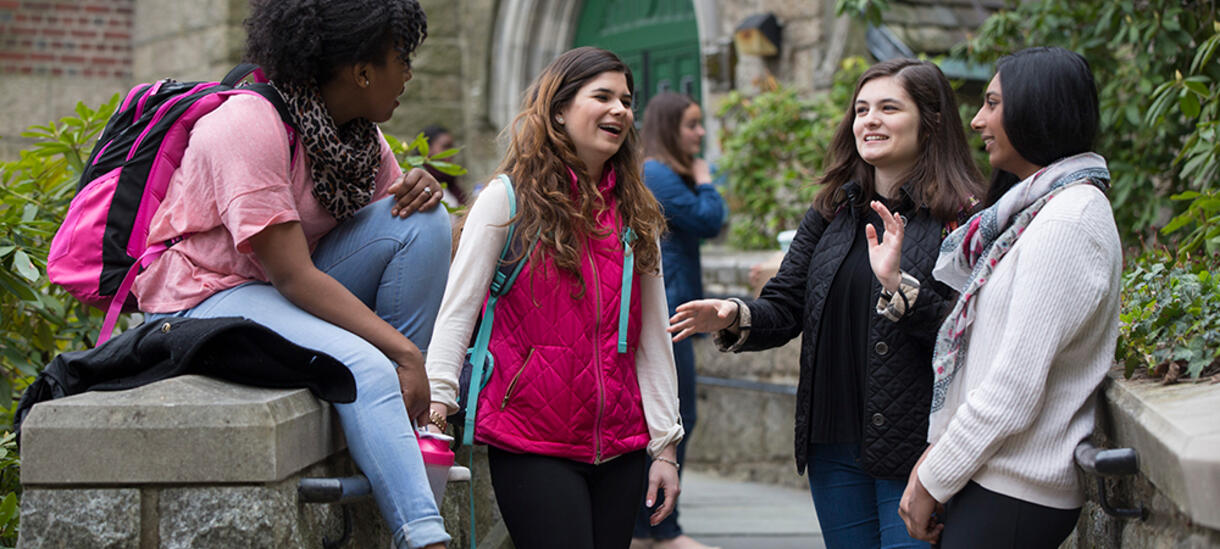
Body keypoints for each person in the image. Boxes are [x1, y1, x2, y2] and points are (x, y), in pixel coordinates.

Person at [131, 1, 452, 547]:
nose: (409, 75)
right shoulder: (247, 123)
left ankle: (398, 421)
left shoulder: (354, 139)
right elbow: (293, 277)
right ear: (362, 70)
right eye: (402, 60)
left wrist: (426, 191)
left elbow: (397, 238)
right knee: (366, 365)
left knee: (425, 223)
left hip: (274, 286)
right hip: (206, 293)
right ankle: (424, 535)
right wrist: (404, 352)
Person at [667, 59, 984, 549]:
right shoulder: (834, 210)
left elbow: (970, 335)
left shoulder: (963, 216)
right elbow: (788, 304)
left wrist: (899, 286)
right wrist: (734, 313)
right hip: (831, 441)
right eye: (861, 109)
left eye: (888, 108)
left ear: (931, 120)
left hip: (916, 450)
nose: (869, 120)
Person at [424, 46, 684, 549]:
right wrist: (438, 408)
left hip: (622, 447)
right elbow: (456, 313)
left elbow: (652, 336)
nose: (620, 111)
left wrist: (666, 448)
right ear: (560, 109)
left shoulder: (637, 214)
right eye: (602, 96)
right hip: (529, 439)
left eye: (627, 101)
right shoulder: (508, 199)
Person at [896, 47, 1121, 548]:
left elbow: (1014, 385)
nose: (977, 119)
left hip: (1016, 492)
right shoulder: (1041, 210)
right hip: (994, 481)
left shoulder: (1068, 222)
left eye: (992, 103)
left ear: (1037, 108)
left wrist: (930, 479)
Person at [631, 92, 725, 549]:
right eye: (691, 124)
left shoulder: (661, 172)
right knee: (674, 415)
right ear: (670, 127)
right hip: (666, 313)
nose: (700, 133)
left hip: (676, 310)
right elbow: (710, 219)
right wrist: (706, 180)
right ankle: (658, 530)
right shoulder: (656, 173)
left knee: (678, 415)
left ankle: (654, 526)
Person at [421, 124, 469, 208]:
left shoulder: (451, 185)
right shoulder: (420, 181)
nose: (450, 153)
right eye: (445, 147)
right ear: (428, 149)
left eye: (451, 148)